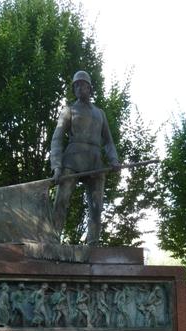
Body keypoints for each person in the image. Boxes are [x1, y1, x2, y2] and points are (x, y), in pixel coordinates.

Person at [50, 70, 121, 245]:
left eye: (82, 84)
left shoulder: (100, 114)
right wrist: (57, 166)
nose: (79, 88)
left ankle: (93, 244)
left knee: (97, 207)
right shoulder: (69, 110)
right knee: (61, 201)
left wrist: (113, 160)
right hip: (72, 159)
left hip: (95, 162)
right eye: (76, 85)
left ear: (90, 88)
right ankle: (52, 240)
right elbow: (57, 138)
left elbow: (109, 142)